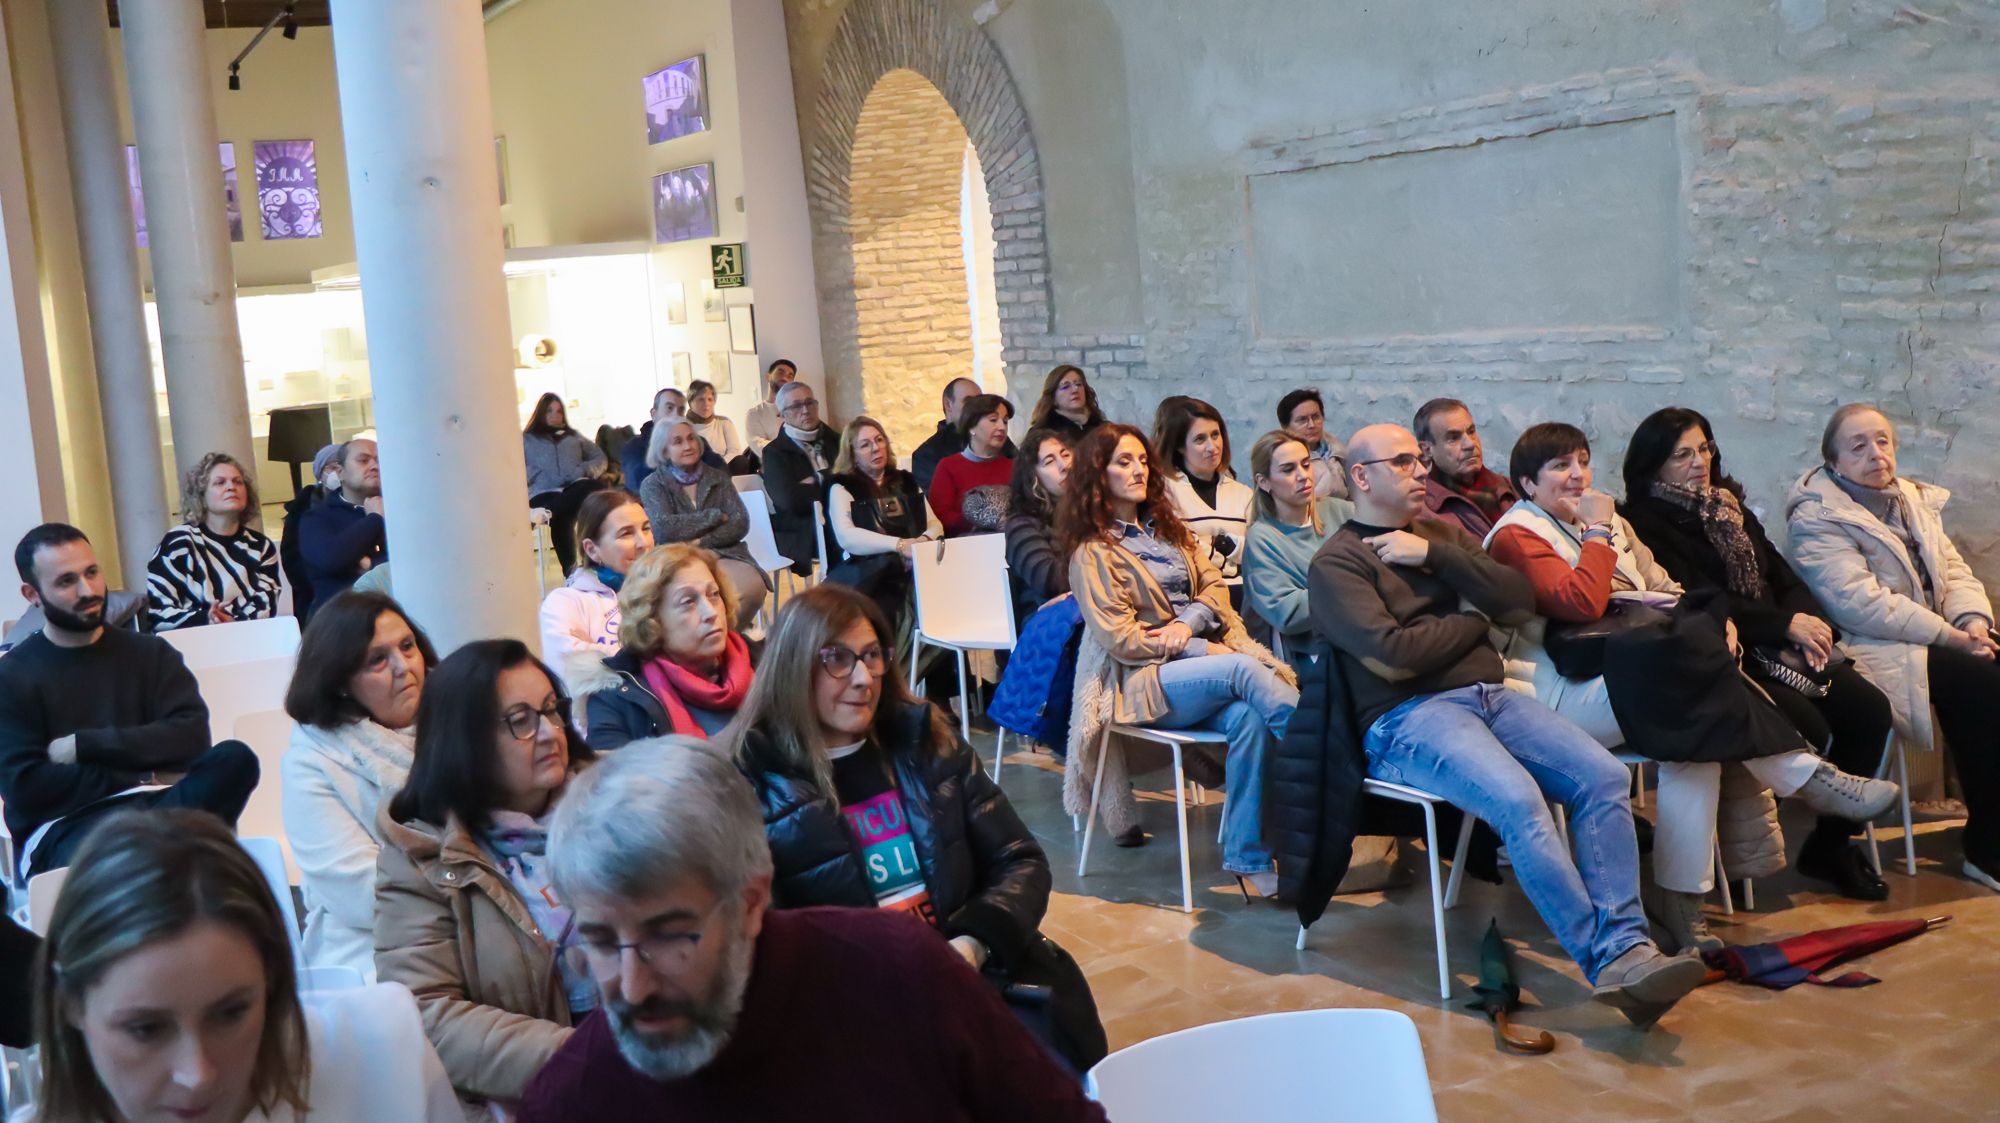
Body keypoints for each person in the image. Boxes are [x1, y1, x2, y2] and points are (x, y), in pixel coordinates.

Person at [1309, 424, 1705, 1022]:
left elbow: (1517, 602)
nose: (1421, 472)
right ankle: (1611, 961)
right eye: (1403, 462)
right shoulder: (1337, 563)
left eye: (1420, 461)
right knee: (1522, 803)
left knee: (1602, 779)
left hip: (1487, 696)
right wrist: (1474, 622)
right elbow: (1394, 659)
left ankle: (1630, 946)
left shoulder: (1438, 535)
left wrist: (1439, 558)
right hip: (1406, 718)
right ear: (1361, 476)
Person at [517, 742, 1111, 1123]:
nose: (632, 984)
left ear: (750, 901)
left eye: (670, 935)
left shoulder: (895, 972)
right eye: (598, 940)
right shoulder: (574, 1101)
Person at [1484, 424, 1897, 946]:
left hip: (1635, 681)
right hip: (1557, 698)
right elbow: (1579, 603)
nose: (1577, 475)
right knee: (1692, 690)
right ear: (1526, 484)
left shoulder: (1610, 523)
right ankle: (1806, 776)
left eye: (1582, 461)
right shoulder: (1518, 534)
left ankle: (1680, 903)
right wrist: (1595, 534)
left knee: (1695, 743)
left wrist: (1714, 621)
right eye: (1560, 467)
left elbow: (1667, 588)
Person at [726, 583, 1106, 1069]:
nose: (863, 677)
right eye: (837, 659)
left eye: (872, 656)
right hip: (856, 1026)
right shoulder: (753, 783)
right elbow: (758, 947)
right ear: (793, 665)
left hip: (969, 983)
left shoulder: (925, 741)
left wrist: (973, 944)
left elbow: (1020, 859)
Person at [1622, 406, 1899, 900]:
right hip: (1733, 652)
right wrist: (1782, 626)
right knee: (1806, 729)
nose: (1697, 461)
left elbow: (1780, 575)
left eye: (1703, 448)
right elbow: (1700, 597)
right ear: (1653, 464)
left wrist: (1810, 627)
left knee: (1869, 711)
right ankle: (1745, 858)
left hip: (1782, 641)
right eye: (1681, 454)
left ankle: (1830, 846)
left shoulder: (1727, 505)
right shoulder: (1644, 523)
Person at [32, 809, 460, 1123]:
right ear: (71, 1003)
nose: (196, 1075)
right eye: (145, 1029)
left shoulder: (384, 1052)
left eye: (231, 1013)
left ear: (272, 983)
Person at [1058, 425, 1298, 893]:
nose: (1138, 470)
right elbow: (1121, 639)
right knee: (1245, 668)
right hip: (1146, 681)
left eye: (1143, 461)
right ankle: (1323, 758)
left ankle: (1246, 856)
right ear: (1096, 475)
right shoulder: (1092, 553)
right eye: (1123, 462)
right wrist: (1196, 644)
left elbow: (1216, 590)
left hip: (1201, 665)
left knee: (1249, 719)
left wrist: (1185, 625)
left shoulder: (1170, 532)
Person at [1785, 403, 2000, 894]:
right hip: (1871, 645)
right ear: (1834, 462)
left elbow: (1953, 570)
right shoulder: (1817, 518)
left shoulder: (1909, 499)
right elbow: (1862, 604)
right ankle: (1988, 849)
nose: (1875, 453)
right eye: (1857, 445)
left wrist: (1972, 621)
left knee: (1989, 666)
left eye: (1882, 441)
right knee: (1983, 688)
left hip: (1936, 635)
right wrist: (1952, 638)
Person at [375, 639, 598, 1109]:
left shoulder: (613, 800)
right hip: (538, 1093)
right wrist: (579, 1059)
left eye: (551, 710)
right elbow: (426, 1013)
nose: (548, 733)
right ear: (465, 742)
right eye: (520, 721)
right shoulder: (423, 856)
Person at [0, 524, 259, 878]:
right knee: (147, 854)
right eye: (66, 581)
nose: (87, 590)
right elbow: (27, 789)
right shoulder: (12, 677)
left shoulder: (149, 653)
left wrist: (84, 745)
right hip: (65, 830)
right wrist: (140, 765)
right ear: (32, 593)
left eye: (92, 573)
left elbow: (192, 739)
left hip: (158, 803)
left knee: (235, 759)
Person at [280, 590, 438, 980]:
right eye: (377, 660)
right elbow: (359, 895)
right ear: (341, 683)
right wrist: (473, 885)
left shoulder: (461, 718)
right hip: (372, 944)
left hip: (488, 919)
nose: (404, 667)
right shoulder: (311, 762)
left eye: (407, 646)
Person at [577, 544, 755, 749]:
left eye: (713, 594)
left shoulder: (764, 662)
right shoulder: (616, 701)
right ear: (652, 620)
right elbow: (613, 778)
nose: (710, 613)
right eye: (688, 602)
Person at [638, 418, 767, 629]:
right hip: (678, 559)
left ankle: (726, 643)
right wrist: (713, 516)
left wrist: (700, 541)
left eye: (691, 438)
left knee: (751, 586)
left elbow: (739, 522)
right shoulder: (652, 485)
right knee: (693, 598)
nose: (688, 445)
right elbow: (664, 529)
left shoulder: (718, 477)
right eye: (677, 442)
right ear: (664, 451)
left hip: (727, 553)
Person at [1242, 430, 1354, 667]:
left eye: (1305, 464)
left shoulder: (1342, 511)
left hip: (1364, 634)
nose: (1303, 476)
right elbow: (1287, 613)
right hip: (1313, 653)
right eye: (1288, 469)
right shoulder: (1263, 538)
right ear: (1264, 482)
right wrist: (1354, 586)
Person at [146, 451, 282, 631]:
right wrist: (206, 617)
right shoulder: (178, 542)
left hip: (247, 639)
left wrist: (231, 622)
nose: (231, 487)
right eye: (219, 483)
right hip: (191, 641)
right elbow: (158, 612)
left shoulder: (261, 546)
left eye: (237, 482)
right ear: (201, 495)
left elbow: (266, 605)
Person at [824, 416, 937, 624]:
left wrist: (919, 546)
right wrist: (899, 546)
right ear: (852, 455)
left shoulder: (906, 480)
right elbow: (847, 537)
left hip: (917, 562)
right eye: (865, 445)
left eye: (879, 440)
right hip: (870, 570)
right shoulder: (842, 486)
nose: (876, 448)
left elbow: (934, 524)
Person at [541, 489, 656, 691]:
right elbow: (571, 669)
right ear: (592, 549)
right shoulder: (565, 603)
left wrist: (601, 654)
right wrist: (651, 656)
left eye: (646, 529)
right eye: (626, 533)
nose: (643, 543)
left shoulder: (667, 591)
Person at [1154, 396, 1255, 588]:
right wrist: (1231, 565)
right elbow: (1182, 551)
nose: (1212, 447)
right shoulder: (1163, 491)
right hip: (1193, 595)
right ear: (1179, 446)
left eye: (1215, 435)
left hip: (1245, 593)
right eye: (1200, 439)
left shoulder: (1243, 493)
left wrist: (1223, 543)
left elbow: (1259, 551)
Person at [298, 438, 387, 618]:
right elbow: (331, 558)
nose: (374, 466)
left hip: (394, 615)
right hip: (340, 622)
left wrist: (372, 565)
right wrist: (374, 518)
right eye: (363, 460)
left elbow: (415, 560)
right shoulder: (317, 517)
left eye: (379, 460)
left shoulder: (401, 512)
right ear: (340, 472)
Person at [759, 382, 841, 574]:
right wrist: (834, 481)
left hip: (843, 516)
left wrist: (818, 479)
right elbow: (789, 500)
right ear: (782, 414)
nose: (805, 410)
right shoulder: (774, 452)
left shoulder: (837, 440)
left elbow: (853, 478)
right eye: (796, 406)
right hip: (803, 529)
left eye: (810, 403)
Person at [524, 392, 610, 574]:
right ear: (540, 412)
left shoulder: (574, 437)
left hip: (571, 489)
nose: (555, 416)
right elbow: (514, 467)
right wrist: (533, 475)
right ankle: (571, 572)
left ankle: (547, 512)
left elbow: (599, 457)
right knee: (564, 516)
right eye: (549, 411)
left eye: (559, 411)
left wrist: (583, 470)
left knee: (595, 488)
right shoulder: (526, 439)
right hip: (542, 491)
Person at [1414, 398, 1518, 539]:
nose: (1470, 444)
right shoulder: (1422, 512)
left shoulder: (1514, 490)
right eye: (1453, 438)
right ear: (1426, 450)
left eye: (1471, 432)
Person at [1003, 427, 1074, 626]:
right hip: (1049, 623)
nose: (1064, 466)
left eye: (1066, 454)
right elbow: (1049, 581)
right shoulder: (1021, 525)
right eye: (1049, 462)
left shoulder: (1094, 511)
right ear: (1034, 478)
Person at [927, 393, 1015, 537]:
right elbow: (940, 515)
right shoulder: (948, 467)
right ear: (971, 427)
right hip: (966, 547)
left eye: (1005, 421)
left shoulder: (1014, 467)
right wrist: (988, 521)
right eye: (993, 420)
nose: (1002, 427)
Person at [912, 377, 1018, 491]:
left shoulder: (999, 440)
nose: (977, 408)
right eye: (969, 402)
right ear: (948, 404)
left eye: (980, 402)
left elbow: (1022, 477)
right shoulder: (927, 453)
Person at [278, 443, 342, 620]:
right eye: (332, 466)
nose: (338, 472)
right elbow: (291, 560)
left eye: (342, 466)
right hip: (315, 601)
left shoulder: (363, 503)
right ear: (321, 472)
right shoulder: (302, 509)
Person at [624, 387, 726, 497]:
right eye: (669, 408)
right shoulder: (634, 447)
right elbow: (640, 484)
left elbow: (721, 471)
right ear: (654, 414)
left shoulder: (697, 441)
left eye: (681, 410)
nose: (676, 415)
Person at [1276, 388, 1348, 500]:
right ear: (1285, 427)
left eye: (1315, 417)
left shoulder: (1339, 452)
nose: (1311, 425)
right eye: (1302, 420)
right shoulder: (1282, 462)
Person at [1028, 364, 1106, 440]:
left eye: (1078, 384)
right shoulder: (1042, 434)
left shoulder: (1102, 428)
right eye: (1065, 387)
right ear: (1053, 398)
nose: (1075, 389)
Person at [744, 358, 798, 451]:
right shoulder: (754, 413)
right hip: (774, 462)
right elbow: (759, 445)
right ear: (768, 377)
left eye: (790, 376)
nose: (785, 378)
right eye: (780, 373)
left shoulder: (799, 409)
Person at [686, 379, 744, 465]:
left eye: (710, 399)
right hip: (696, 468)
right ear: (690, 402)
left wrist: (719, 464)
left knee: (741, 462)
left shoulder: (724, 422)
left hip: (722, 467)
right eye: (701, 399)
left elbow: (735, 451)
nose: (706, 404)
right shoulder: (683, 425)